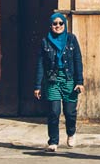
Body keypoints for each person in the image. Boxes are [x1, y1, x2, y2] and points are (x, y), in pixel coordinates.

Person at [35, 11, 85, 151]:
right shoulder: (45, 41)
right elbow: (40, 64)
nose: (58, 26)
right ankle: (53, 141)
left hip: (69, 80)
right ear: (50, 26)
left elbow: (77, 61)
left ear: (65, 24)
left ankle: (71, 132)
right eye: (55, 24)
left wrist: (80, 81)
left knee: (70, 112)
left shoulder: (71, 39)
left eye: (60, 23)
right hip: (52, 80)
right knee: (54, 111)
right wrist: (37, 85)